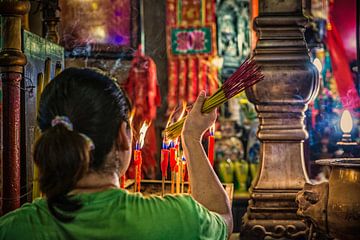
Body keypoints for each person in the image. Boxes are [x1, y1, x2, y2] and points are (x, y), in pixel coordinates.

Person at [0, 68, 233, 239]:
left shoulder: (13, 228)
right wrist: (191, 139)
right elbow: (222, 217)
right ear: (123, 136)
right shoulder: (178, 219)